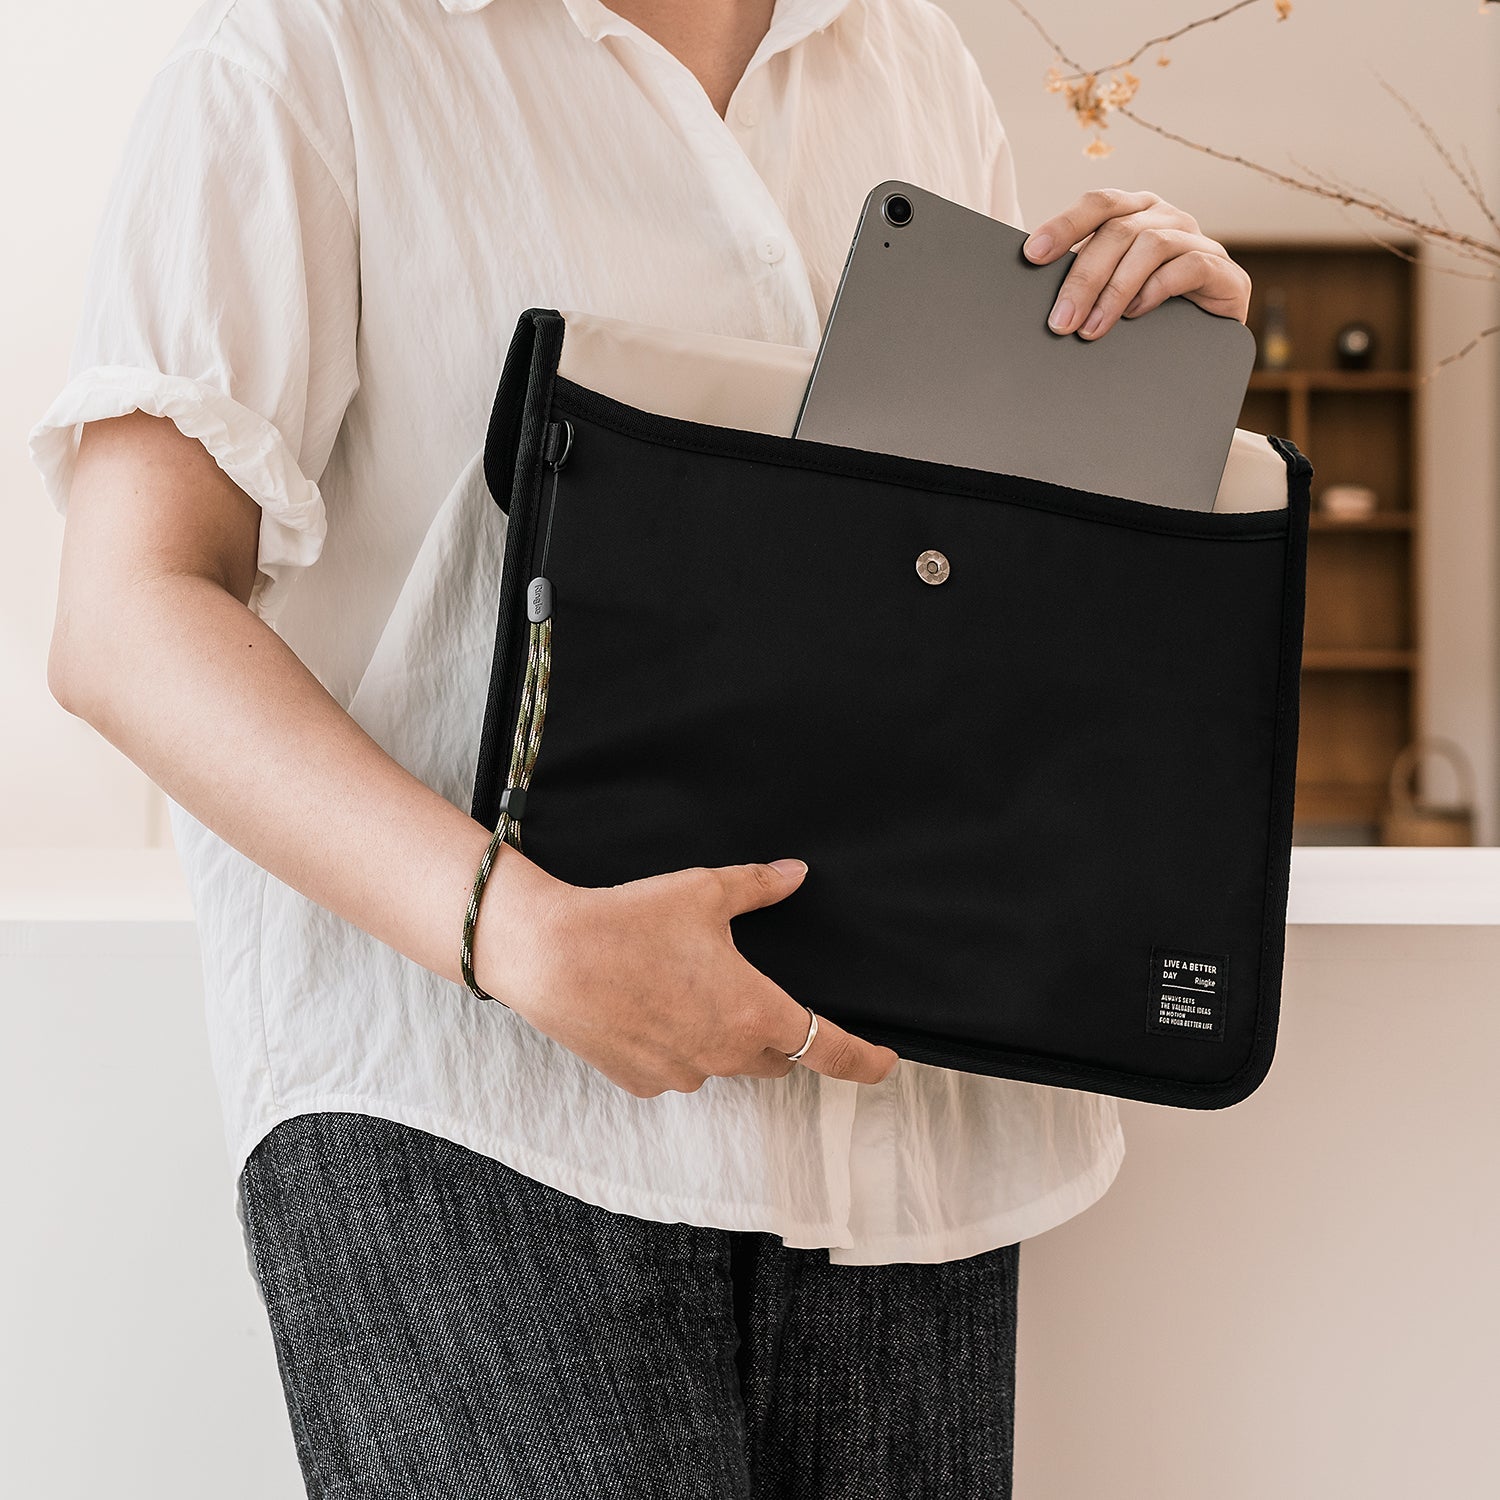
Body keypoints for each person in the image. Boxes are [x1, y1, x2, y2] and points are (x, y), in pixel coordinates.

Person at [30, 0, 1252, 1495]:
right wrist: (524, 933)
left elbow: (955, 599)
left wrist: (1147, 377)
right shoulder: (305, 53)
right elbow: (128, 614)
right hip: (474, 1104)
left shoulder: (906, 59)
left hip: (889, 1126)